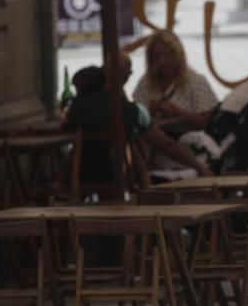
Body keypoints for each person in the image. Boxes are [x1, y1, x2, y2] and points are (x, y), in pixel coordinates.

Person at [63, 53, 212, 195]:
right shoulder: (131, 111)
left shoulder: (76, 108)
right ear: (127, 76)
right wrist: (199, 167)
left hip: (78, 174)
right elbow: (167, 145)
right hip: (118, 174)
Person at [132, 30, 218, 128]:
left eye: (167, 55)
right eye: (156, 56)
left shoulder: (196, 82)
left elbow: (209, 122)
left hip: (189, 140)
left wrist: (177, 111)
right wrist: (149, 111)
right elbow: (134, 119)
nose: (161, 61)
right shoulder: (145, 82)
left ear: (178, 56)